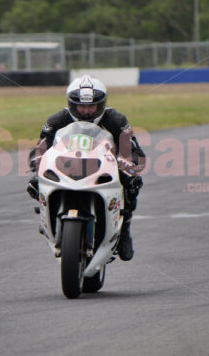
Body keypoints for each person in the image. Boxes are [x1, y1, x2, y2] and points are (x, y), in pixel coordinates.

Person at [27, 75, 145, 261]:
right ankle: (47, 219)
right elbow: (40, 148)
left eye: (92, 106)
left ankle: (124, 230)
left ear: (101, 104)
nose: (86, 111)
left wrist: (128, 163)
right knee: (35, 183)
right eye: (81, 106)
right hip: (67, 168)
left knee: (133, 181)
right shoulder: (57, 120)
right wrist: (37, 164)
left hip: (103, 167)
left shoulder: (116, 119)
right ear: (72, 104)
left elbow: (133, 150)